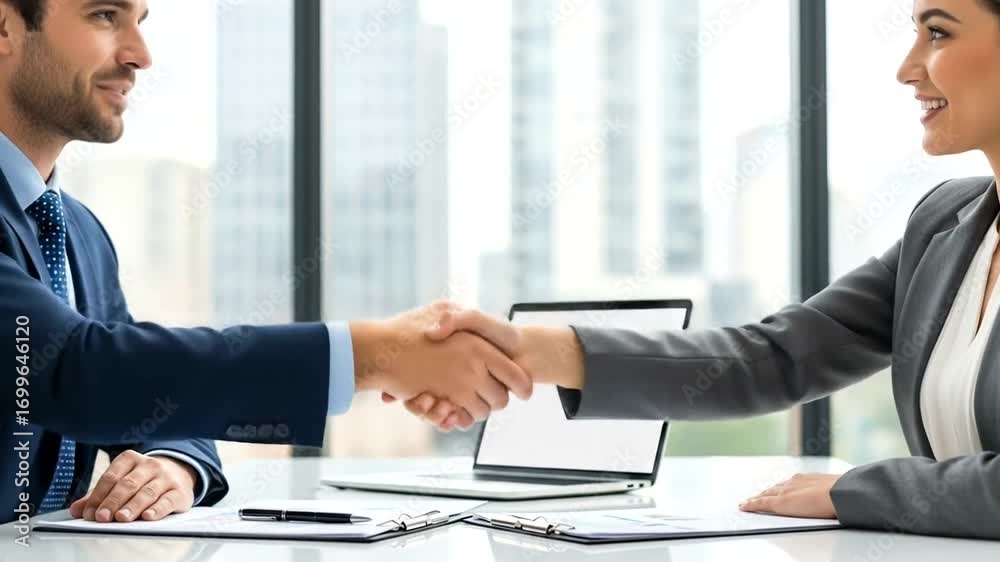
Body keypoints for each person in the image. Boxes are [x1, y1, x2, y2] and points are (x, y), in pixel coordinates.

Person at [396, 0, 1000, 541]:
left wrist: (853, 492)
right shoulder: (943, 224)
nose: (907, 67)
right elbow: (770, 359)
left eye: (938, 34)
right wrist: (524, 351)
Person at [0, 0, 530, 525]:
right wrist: (377, 354)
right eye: (104, 16)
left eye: (140, 23)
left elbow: (141, 387)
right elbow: (78, 371)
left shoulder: (80, 233)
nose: (140, 55)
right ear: (5, 27)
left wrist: (175, 464)